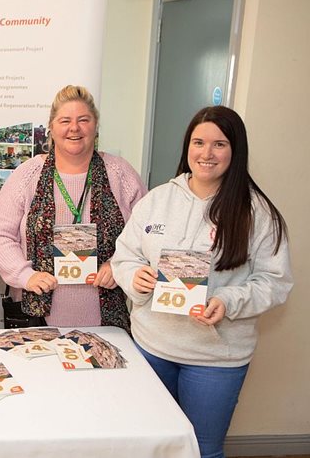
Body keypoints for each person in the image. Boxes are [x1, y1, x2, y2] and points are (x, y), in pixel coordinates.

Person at [111, 106, 292, 458]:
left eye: (219, 144)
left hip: (215, 359)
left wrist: (228, 301)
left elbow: (276, 281)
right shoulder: (157, 200)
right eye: (198, 142)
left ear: (235, 151)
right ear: (187, 146)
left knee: (202, 450)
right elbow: (125, 255)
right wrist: (136, 276)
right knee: (150, 445)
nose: (206, 154)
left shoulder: (257, 213)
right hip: (152, 348)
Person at [0, 85, 146, 331]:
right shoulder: (26, 175)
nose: (75, 128)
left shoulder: (120, 174)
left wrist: (119, 265)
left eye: (84, 120)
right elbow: (0, 236)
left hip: (106, 319)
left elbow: (144, 236)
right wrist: (25, 276)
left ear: (95, 126)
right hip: (36, 318)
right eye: (65, 120)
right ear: (51, 127)